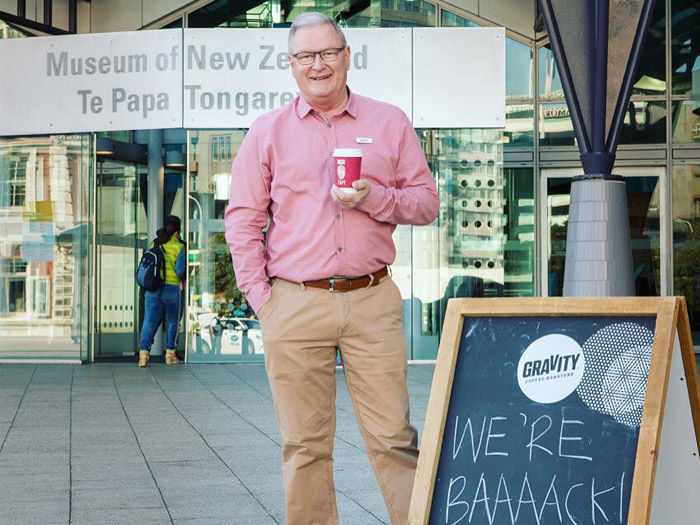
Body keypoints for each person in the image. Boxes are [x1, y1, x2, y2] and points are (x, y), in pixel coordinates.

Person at [225, 12, 439, 525]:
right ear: (291, 65)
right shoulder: (267, 132)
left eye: (327, 53)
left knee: (394, 437)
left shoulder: (389, 122)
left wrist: (374, 198)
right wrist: (264, 301)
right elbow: (242, 220)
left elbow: (426, 202)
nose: (317, 65)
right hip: (293, 301)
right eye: (305, 56)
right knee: (304, 445)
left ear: (347, 57)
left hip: (372, 299)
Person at [138, 215, 186, 367]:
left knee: (149, 322)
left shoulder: (155, 243)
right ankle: (170, 355)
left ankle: (143, 355)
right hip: (171, 289)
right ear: (177, 231)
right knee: (172, 322)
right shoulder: (180, 246)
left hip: (153, 289)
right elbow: (179, 271)